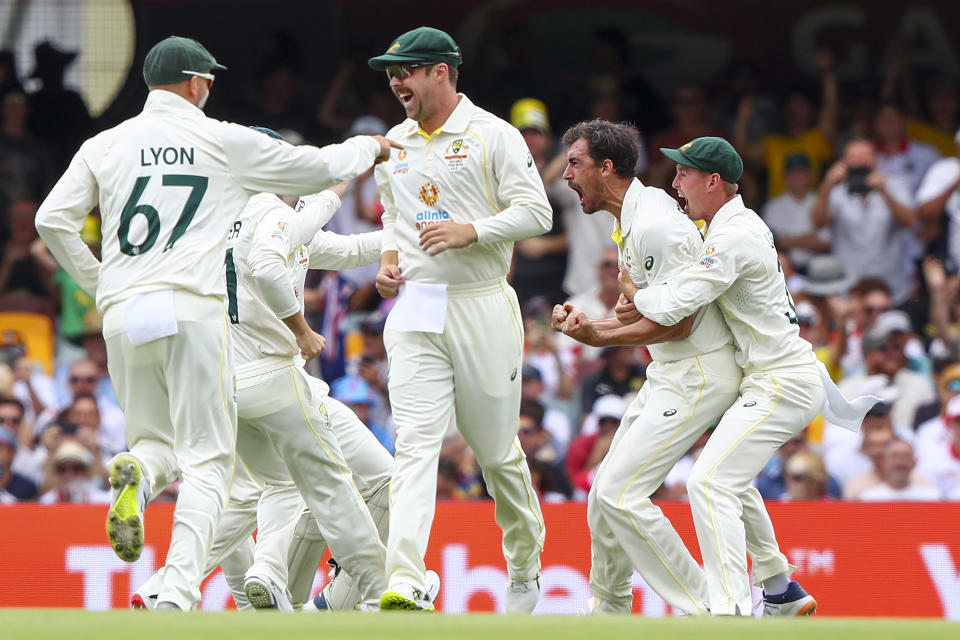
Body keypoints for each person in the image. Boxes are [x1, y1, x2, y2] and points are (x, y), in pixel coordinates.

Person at [34, 36, 397, 611]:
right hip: (193, 312)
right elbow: (318, 170)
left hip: (125, 310)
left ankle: (142, 479)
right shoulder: (221, 137)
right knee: (207, 464)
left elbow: (51, 219)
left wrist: (99, 281)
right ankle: (176, 589)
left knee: (156, 443)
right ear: (197, 83)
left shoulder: (104, 143)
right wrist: (367, 147)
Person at [621, 136, 877, 616]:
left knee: (709, 483)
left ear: (712, 181)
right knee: (729, 478)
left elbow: (679, 302)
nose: (675, 184)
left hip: (782, 381)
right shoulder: (732, 226)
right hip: (768, 377)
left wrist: (635, 292)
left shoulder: (732, 235)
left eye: (683, 173)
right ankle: (780, 590)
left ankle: (729, 609)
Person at [369, 26, 550, 612]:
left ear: (441, 72)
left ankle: (524, 565)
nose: (397, 81)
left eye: (408, 71)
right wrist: (390, 263)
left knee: (496, 454)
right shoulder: (394, 143)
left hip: (481, 302)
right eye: (393, 73)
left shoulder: (492, 135)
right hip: (417, 305)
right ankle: (405, 576)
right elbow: (395, 215)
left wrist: (473, 230)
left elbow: (537, 213)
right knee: (416, 444)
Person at [552, 120, 741, 615]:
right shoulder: (632, 219)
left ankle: (710, 612)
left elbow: (679, 325)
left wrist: (598, 333)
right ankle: (610, 613)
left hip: (697, 371)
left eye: (575, 163)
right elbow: (649, 314)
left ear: (606, 167)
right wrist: (601, 323)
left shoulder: (654, 225)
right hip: (671, 372)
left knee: (619, 493)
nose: (567, 175)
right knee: (602, 497)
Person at [811, 139, 916, 305]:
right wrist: (827, 185)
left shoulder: (894, 185)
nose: (859, 161)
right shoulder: (836, 192)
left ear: (875, 159)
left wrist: (884, 192)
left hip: (890, 286)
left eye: (864, 156)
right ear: (844, 162)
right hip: (849, 288)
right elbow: (817, 223)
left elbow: (910, 222)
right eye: (853, 157)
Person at [859, 439, 939, 501]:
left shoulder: (931, 498)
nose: (900, 462)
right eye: (895, 456)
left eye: (906, 456)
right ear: (884, 462)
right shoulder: (869, 499)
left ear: (914, 462)